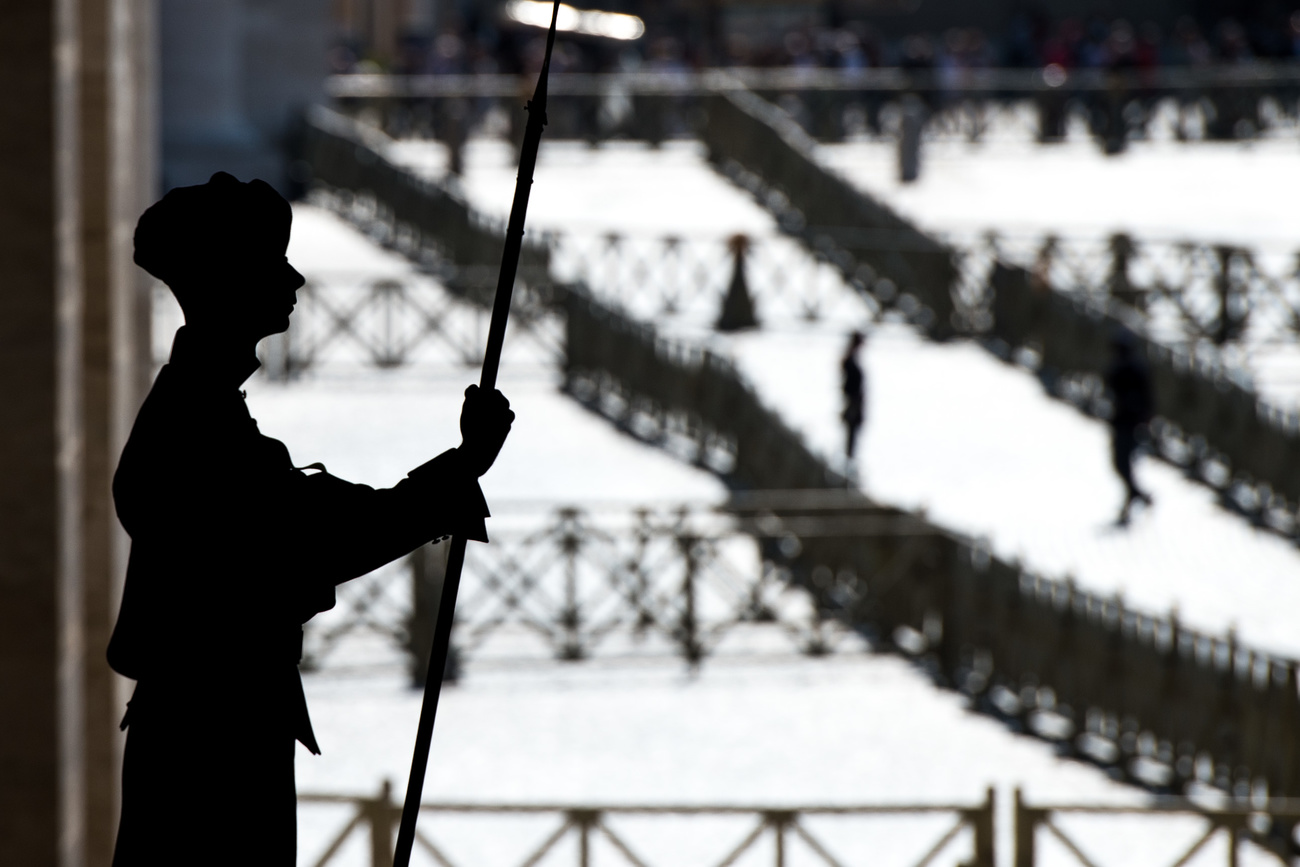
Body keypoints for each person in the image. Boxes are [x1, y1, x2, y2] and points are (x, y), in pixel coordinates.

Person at [108, 172, 515, 866]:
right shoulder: (200, 427)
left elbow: (306, 519)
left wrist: (457, 469)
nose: (294, 278)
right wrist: (463, 467)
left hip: (214, 726)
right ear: (230, 282)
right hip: (213, 740)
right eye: (273, 262)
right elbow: (315, 534)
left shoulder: (202, 411)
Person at [1105, 332, 1154, 525]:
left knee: (1123, 464)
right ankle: (1137, 496)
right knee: (1122, 464)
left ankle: (1134, 498)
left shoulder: (1132, 369)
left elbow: (1145, 397)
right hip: (1124, 422)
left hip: (1130, 423)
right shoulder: (1125, 367)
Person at [841, 331, 866, 471]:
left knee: (852, 438)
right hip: (853, 404)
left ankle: (849, 462)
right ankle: (848, 464)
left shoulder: (852, 360)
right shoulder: (850, 361)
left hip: (854, 404)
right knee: (850, 438)